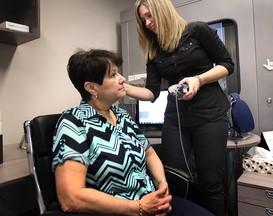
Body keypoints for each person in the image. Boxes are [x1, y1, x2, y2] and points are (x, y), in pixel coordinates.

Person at [51, 49, 214, 216]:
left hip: (153, 202)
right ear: (92, 87)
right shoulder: (73, 122)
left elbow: (149, 153)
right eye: (113, 75)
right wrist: (139, 207)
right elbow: (70, 198)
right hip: (122, 211)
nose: (122, 79)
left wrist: (162, 185)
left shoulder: (121, 115)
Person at [123, 0, 235, 216]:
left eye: (149, 16)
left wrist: (199, 80)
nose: (147, 23)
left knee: (210, 182)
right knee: (173, 180)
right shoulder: (154, 51)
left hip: (210, 116)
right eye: (143, 19)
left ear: (162, 10)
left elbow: (227, 64)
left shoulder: (197, 30)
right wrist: (123, 87)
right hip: (177, 119)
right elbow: (151, 93)